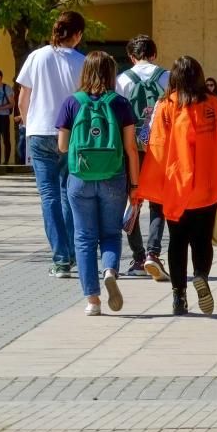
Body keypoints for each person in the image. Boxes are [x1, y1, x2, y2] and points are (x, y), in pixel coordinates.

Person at [139, 56, 217, 315]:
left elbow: (157, 147)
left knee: (177, 241)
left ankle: (179, 297)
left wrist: (149, 186)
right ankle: (201, 276)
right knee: (201, 239)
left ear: (174, 77)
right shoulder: (213, 105)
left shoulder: (165, 106)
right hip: (207, 187)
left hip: (175, 187)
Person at [56, 52, 140, 316]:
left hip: (80, 179)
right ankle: (110, 271)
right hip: (113, 177)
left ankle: (92, 301)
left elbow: (62, 146)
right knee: (111, 234)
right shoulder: (120, 104)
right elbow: (131, 149)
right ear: (111, 73)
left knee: (83, 238)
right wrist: (135, 185)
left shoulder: (72, 102)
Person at [17, 11, 86, 277]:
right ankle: (70, 253)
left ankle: (59, 260)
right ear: (77, 35)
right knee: (70, 193)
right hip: (71, 133)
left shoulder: (36, 56)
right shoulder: (82, 62)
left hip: (39, 131)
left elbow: (24, 96)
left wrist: (27, 124)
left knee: (49, 196)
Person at [116, 35, 171, 280]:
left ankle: (138, 257)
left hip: (131, 148)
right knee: (159, 203)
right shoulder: (168, 77)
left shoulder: (122, 79)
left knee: (133, 199)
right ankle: (153, 253)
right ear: (154, 54)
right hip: (161, 148)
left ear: (131, 56)